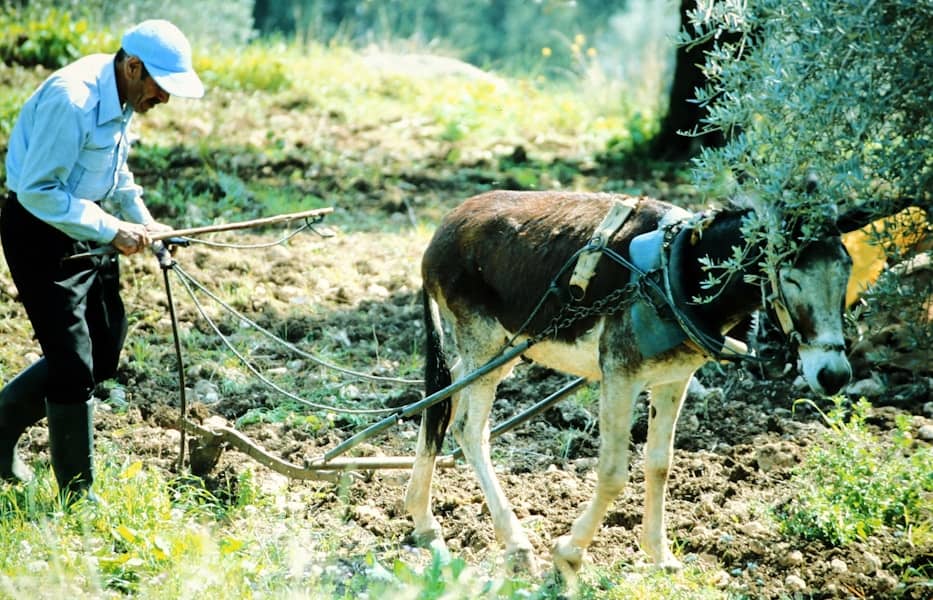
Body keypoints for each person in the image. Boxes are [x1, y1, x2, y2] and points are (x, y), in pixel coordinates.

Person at [0, 20, 204, 502]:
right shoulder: (72, 100)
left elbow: (116, 170)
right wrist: (113, 230)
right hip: (40, 232)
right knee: (72, 365)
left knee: (105, 348)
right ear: (133, 67)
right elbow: (37, 191)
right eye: (161, 87)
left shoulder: (123, 95)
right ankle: (78, 495)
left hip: (88, 227)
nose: (165, 100)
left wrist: (146, 224)